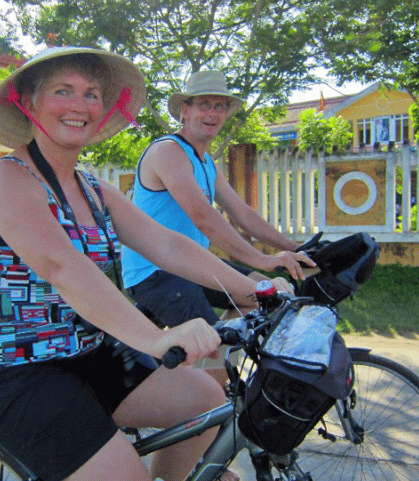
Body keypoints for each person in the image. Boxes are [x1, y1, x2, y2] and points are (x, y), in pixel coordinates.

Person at [0, 46, 263, 481]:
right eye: (64, 91)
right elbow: (60, 267)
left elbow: (166, 244)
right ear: (28, 103)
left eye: (92, 93)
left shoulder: (93, 186)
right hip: (13, 373)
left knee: (204, 400)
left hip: (86, 355)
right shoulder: (7, 180)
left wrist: (256, 289)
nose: (81, 103)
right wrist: (151, 336)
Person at [121, 69, 313, 330]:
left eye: (219, 107)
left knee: (266, 299)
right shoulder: (168, 151)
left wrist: (296, 248)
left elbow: (242, 214)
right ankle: (210, 364)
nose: (212, 113)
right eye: (204, 105)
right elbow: (204, 219)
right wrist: (263, 259)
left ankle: (217, 357)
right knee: (212, 351)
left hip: (192, 264)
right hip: (155, 271)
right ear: (185, 111)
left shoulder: (206, 162)